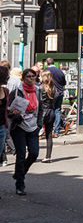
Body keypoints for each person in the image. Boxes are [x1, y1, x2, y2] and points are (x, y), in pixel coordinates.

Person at [8, 67, 43, 195]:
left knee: (34, 153)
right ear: (23, 78)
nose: (31, 79)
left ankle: (19, 172)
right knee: (21, 155)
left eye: (33, 76)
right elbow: (8, 109)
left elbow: (41, 109)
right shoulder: (17, 91)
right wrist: (15, 114)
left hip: (33, 126)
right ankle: (20, 185)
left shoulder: (38, 90)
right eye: (28, 76)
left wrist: (39, 124)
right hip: (19, 127)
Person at [39, 69, 63, 163]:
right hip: (51, 112)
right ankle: (48, 156)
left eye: (40, 76)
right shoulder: (54, 88)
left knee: (34, 134)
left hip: (43, 112)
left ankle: (32, 153)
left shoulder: (40, 88)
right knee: (49, 134)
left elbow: (39, 102)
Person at [44, 58, 67, 136]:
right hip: (60, 92)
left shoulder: (46, 71)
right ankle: (61, 127)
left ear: (47, 63)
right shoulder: (60, 71)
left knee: (51, 110)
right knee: (57, 110)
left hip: (52, 93)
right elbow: (64, 82)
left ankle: (56, 130)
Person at [0, 64, 10, 169]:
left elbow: (6, 107)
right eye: (7, 75)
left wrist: (11, 110)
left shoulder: (6, 91)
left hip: (2, 126)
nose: (8, 78)